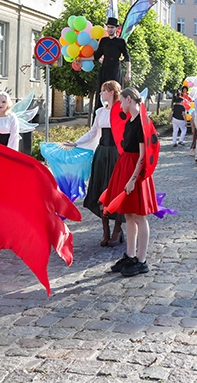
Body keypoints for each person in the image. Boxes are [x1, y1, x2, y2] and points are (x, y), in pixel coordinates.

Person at [104, 88, 158, 277]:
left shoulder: (142, 123)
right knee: (128, 214)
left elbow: (143, 155)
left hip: (136, 170)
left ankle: (142, 261)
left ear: (129, 99)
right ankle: (130, 254)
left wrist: (133, 179)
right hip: (125, 166)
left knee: (139, 215)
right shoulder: (131, 120)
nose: (120, 105)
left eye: (121, 101)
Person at [63, 81, 124, 247]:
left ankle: (118, 229)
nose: (101, 93)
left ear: (111, 92)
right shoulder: (100, 111)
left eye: (103, 91)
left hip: (116, 153)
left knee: (115, 190)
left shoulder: (121, 111)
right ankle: (105, 229)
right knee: (100, 190)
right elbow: (93, 133)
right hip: (102, 152)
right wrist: (76, 143)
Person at [93, 17, 130, 89]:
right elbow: (96, 56)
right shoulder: (104, 40)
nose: (110, 29)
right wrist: (81, 58)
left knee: (115, 91)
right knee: (103, 91)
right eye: (108, 27)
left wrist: (128, 72)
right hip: (104, 68)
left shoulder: (121, 41)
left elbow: (127, 56)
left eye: (112, 27)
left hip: (115, 69)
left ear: (116, 28)